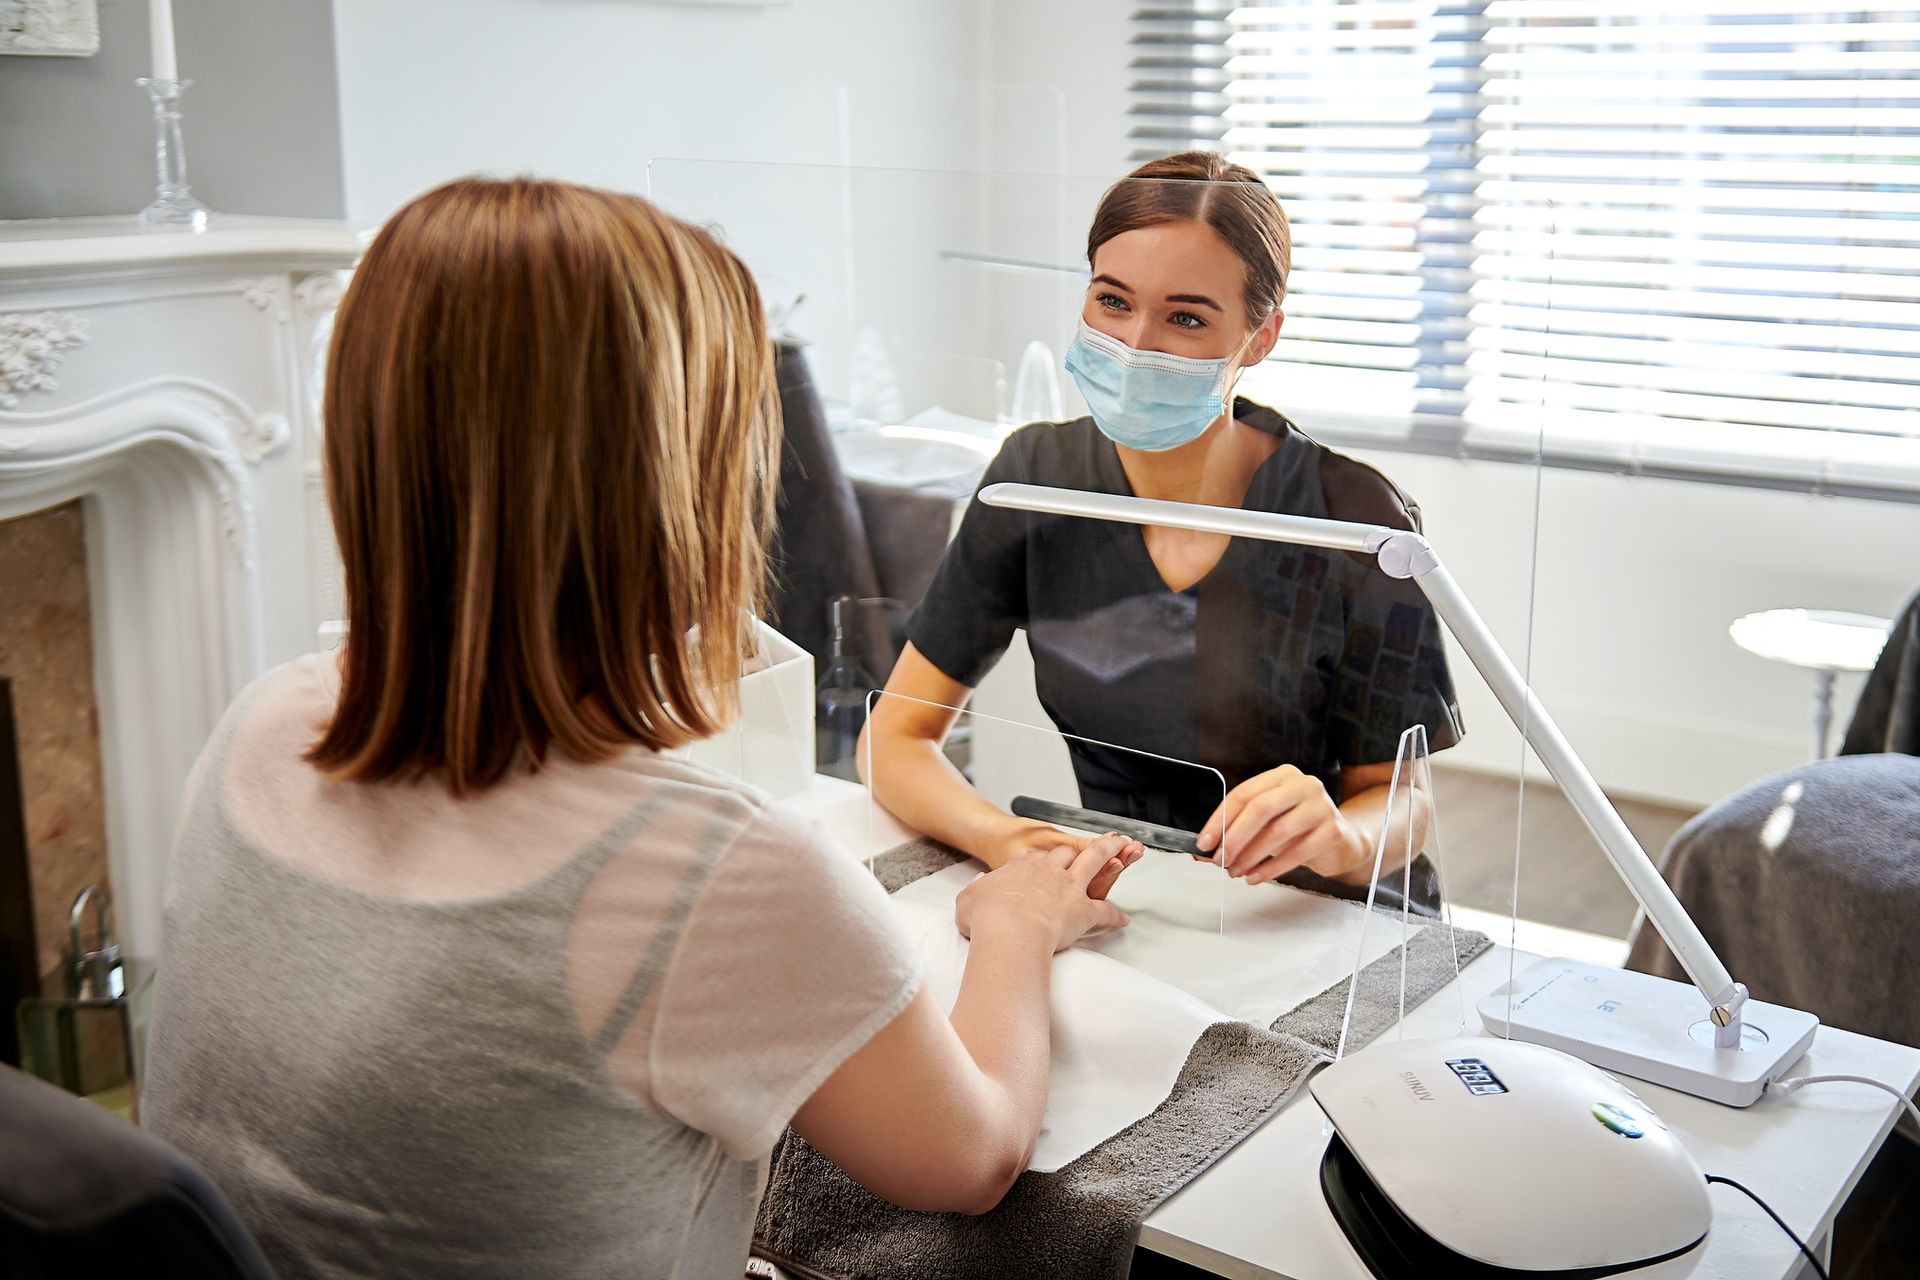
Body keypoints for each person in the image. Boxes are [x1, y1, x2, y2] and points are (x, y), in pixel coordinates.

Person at [140, 177, 1144, 1280]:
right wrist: (1015, 922)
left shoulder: (255, 727)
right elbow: (976, 1155)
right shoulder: (705, 872)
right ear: (681, 487)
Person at [863, 152, 1463, 904]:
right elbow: (894, 739)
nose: (1136, 344)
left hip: (1328, 920)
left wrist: (1343, 837)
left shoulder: (1354, 517)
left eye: (1185, 317)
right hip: (1138, 904)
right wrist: (1003, 837)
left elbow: (1403, 799)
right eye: (1112, 302)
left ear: (1260, 337)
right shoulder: (1036, 479)